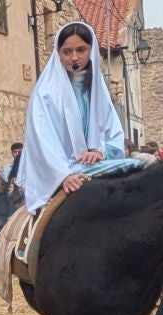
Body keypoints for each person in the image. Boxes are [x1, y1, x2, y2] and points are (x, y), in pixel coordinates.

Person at [20, 21, 127, 210]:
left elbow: (113, 134)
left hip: (95, 165)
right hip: (61, 169)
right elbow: (42, 140)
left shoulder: (98, 90)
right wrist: (63, 175)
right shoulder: (45, 93)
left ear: (91, 50)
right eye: (67, 52)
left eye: (81, 50)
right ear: (58, 53)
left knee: (140, 165)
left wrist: (99, 151)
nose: (74, 57)